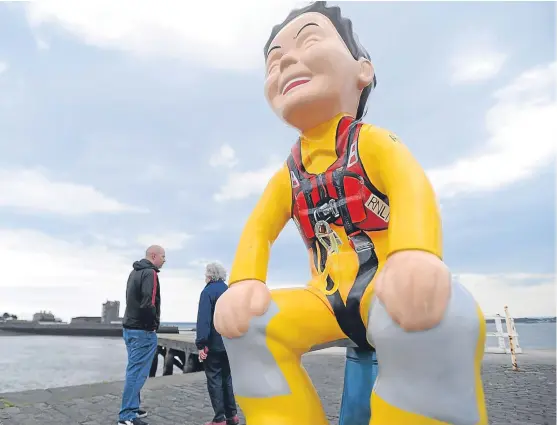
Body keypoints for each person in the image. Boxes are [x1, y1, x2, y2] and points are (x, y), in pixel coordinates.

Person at [214, 2, 488, 425]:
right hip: (323, 298)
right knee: (251, 327)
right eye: (273, 60)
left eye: (308, 40)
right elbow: (259, 229)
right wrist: (246, 281)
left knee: (441, 317)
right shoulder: (288, 176)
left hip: (387, 288)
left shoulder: (374, 143)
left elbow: (411, 186)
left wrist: (414, 253)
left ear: (363, 70)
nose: (285, 60)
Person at [118, 245, 165, 425]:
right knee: (137, 373)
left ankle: (133, 406)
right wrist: (151, 326)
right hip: (142, 331)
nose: (164, 260)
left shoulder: (134, 272)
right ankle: (126, 416)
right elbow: (148, 303)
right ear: (153, 256)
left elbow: (132, 300)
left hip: (129, 328)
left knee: (133, 369)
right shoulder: (150, 274)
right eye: (163, 256)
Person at [196, 262, 239, 425]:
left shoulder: (207, 292)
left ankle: (219, 419)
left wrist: (201, 344)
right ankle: (232, 415)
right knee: (227, 379)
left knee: (214, 380)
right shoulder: (230, 292)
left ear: (209, 275)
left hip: (213, 345)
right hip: (229, 342)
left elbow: (204, 320)